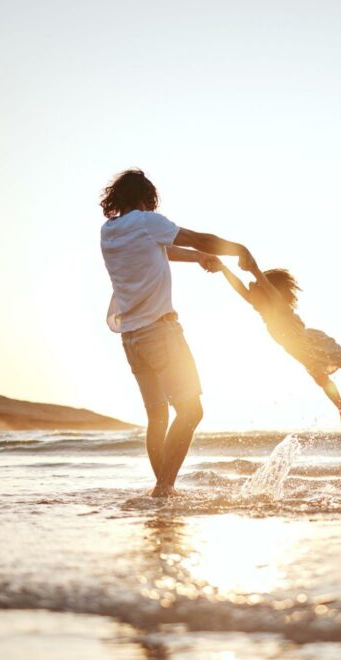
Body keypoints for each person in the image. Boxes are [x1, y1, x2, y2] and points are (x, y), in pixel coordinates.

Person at [99, 168, 249, 497]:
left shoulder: (109, 232)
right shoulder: (146, 222)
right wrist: (235, 249)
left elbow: (160, 250)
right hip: (160, 333)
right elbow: (195, 237)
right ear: (145, 197)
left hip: (132, 339)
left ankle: (163, 488)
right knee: (192, 410)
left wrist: (197, 259)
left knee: (157, 416)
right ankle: (163, 488)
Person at [217, 254, 341, 427]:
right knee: (322, 380)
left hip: (314, 343)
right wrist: (223, 269)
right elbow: (239, 288)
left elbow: (266, 285)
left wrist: (254, 270)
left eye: (255, 287)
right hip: (301, 354)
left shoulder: (277, 304)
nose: (250, 289)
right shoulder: (262, 309)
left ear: (266, 293)